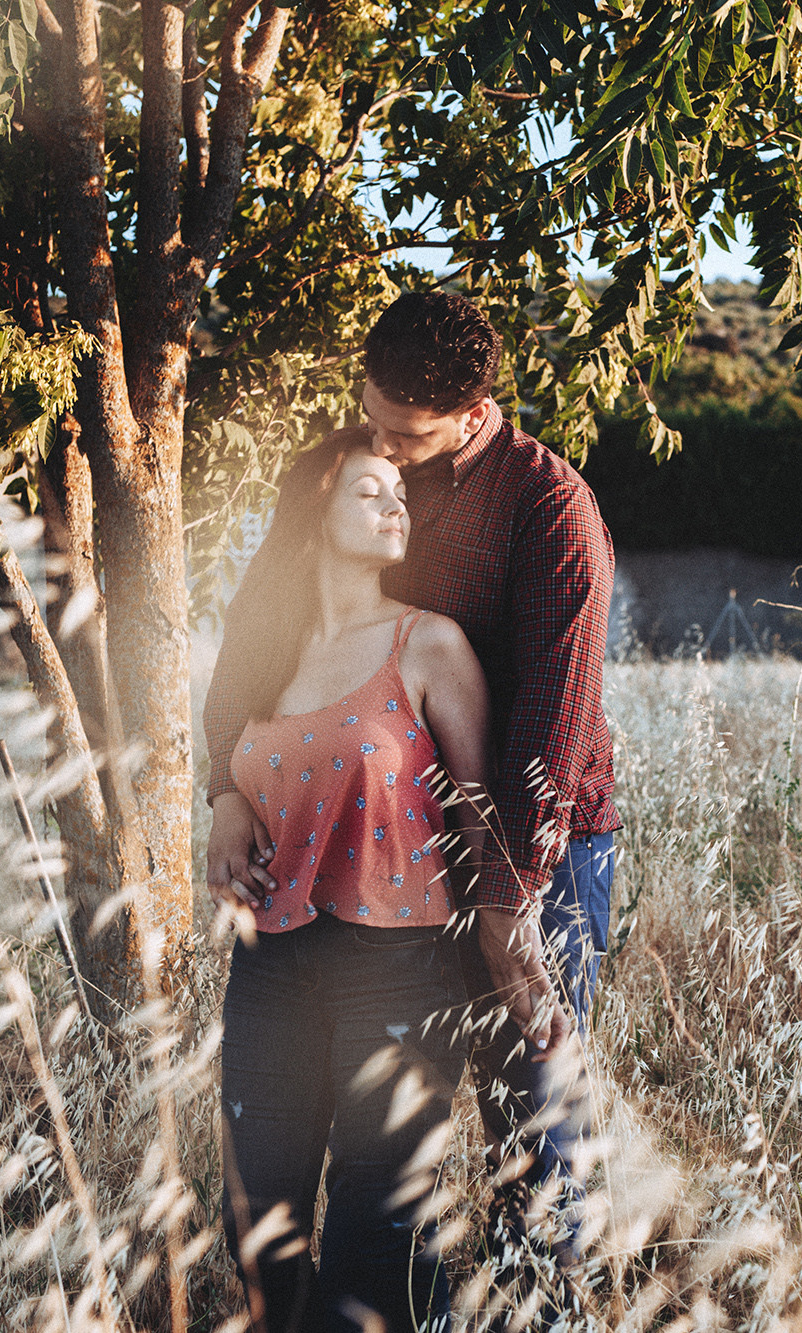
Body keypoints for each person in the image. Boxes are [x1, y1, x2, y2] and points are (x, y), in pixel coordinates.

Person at [204, 290, 622, 1266]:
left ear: (473, 415)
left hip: (536, 836)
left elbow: (551, 719)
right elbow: (253, 634)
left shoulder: (548, 506)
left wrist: (508, 895)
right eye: (373, 418)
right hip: (379, 847)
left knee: (531, 1103)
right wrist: (223, 788)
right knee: (386, 1123)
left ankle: (536, 1309)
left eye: (407, 435)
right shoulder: (341, 473)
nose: (383, 449)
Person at [202, 428, 495, 1333]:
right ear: (313, 513)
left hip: (400, 965)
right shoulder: (262, 655)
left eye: (399, 491)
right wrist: (223, 800)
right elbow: (229, 755)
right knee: (262, 1220)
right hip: (271, 962)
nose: (396, 505)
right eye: (371, 491)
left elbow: (482, 817)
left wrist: (505, 948)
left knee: (380, 1224)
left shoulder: (428, 645)